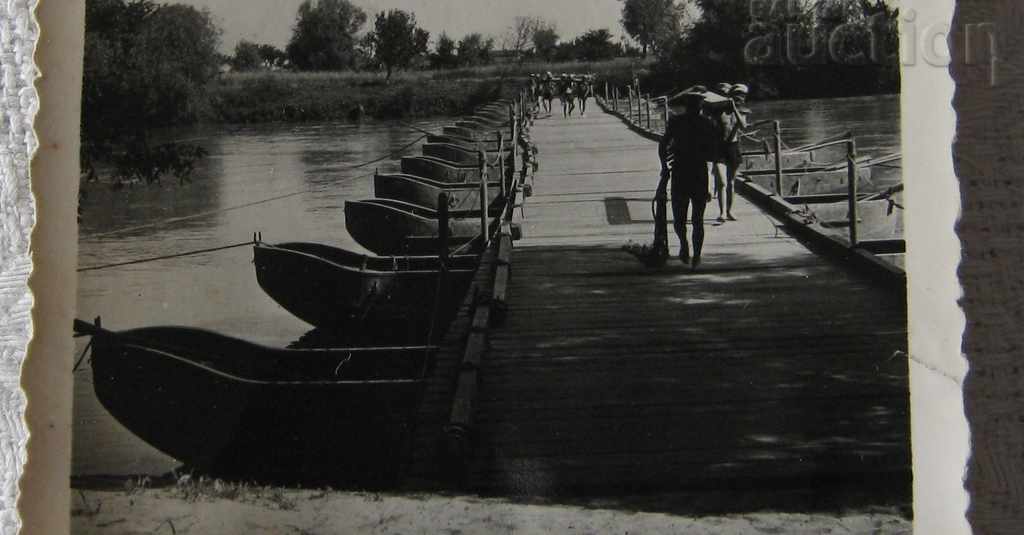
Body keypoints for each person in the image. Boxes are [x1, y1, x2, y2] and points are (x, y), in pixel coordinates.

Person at [659, 91, 720, 269]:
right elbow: (715, 151)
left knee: (683, 218)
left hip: (683, 171)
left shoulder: (680, 122)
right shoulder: (706, 123)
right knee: (695, 219)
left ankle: (692, 250)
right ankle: (691, 251)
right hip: (696, 172)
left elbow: (663, 145)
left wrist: (664, 166)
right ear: (699, 106)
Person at [711, 83, 750, 222]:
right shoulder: (718, 111)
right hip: (719, 149)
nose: (740, 99)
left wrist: (735, 109)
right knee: (722, 182)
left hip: (733, 148)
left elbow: (744, 126)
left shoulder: (742, 111)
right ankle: (722, 213)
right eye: (737, 96)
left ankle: (730, 211)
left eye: (742, 97)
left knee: (731, 182)